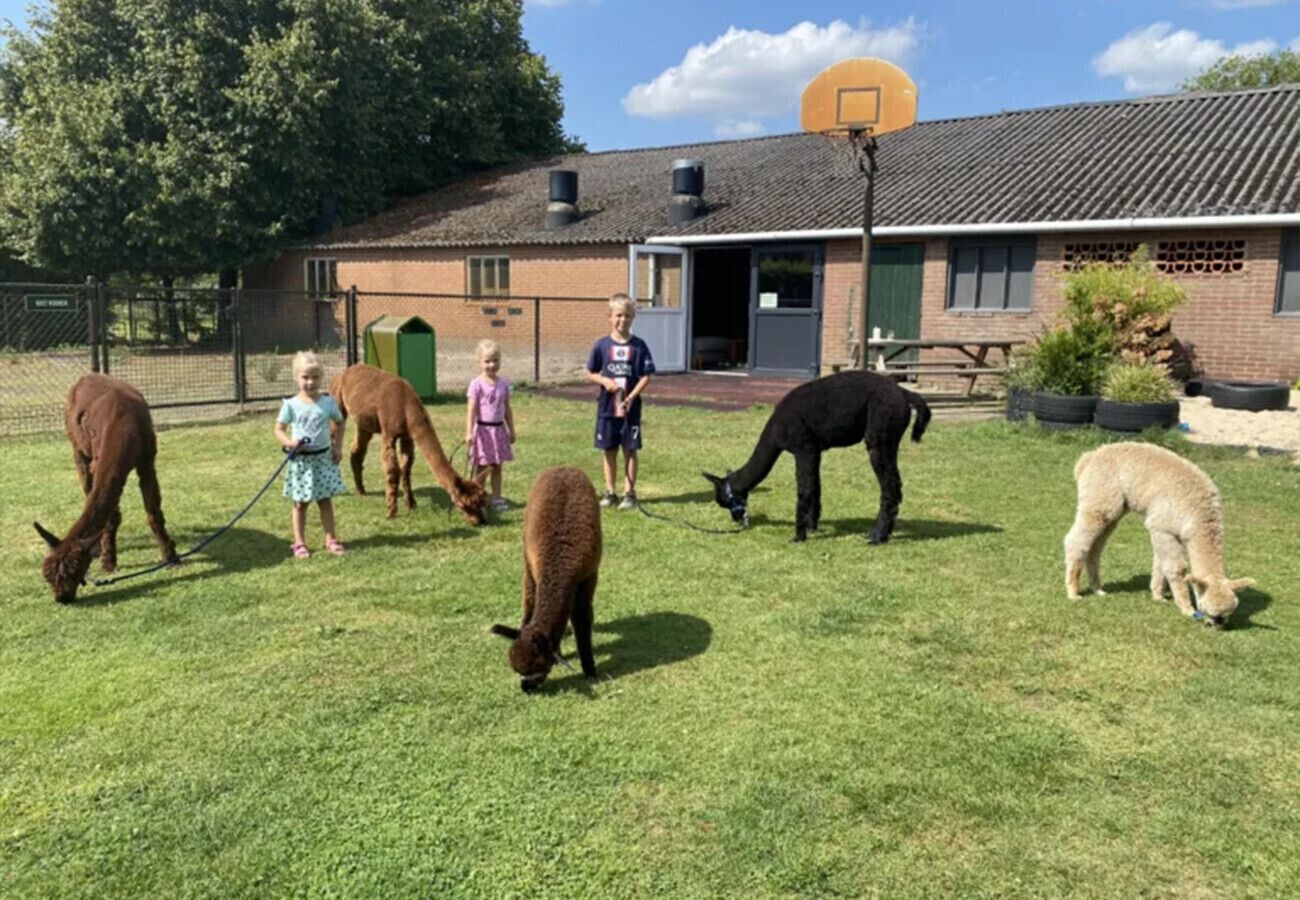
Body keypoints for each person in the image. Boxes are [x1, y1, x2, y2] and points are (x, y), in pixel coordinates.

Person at [275, 351, 347, 558]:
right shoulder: (291, 405)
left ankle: (331, 539)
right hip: (301, 462)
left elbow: (340, 422)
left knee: (325, 500)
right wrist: (289, 443)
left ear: (321, 377)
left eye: (315, 377)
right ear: (296, 377)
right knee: (300, 503)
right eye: (305, 377)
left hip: (323, 460)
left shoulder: (328, 402)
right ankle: (299, 542)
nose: (310, 382)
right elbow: (279, 429)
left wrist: (337, 447)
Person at [586, 293, 655, 510]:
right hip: (607, 409)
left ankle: (629, 493)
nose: (622, 320)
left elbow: (646, 375)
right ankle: (610, 492)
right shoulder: (601, 345)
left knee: (630, 450)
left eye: (627, 315)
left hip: (630, 410)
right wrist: (604, 381)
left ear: (633, 317)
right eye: (618, 315)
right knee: (609, 450)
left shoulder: (639, 346)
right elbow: (591, 372)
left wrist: (632, 396)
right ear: (610, 317)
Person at [465, 339, 516, 511]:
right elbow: (471, 411)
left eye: (495, 360)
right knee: (482, 467)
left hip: (498, 431)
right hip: (483, 432)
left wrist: (511, 429)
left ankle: (497, 498)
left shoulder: (504, 384)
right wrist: (469, 432)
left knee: (497, 467)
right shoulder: (476, 384)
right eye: (487, 361)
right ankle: (477, 497)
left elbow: (507, 408)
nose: (492, 365)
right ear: (479, 362)